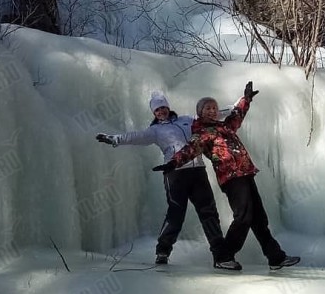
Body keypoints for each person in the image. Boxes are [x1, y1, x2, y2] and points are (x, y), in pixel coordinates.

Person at [153, 81, 300, 271]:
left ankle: (275, 257)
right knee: (243, 217)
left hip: (245, 172)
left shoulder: (225, 127)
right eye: (208, 108)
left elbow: (237, 115)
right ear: (200, 112)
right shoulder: (203, 133)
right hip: (231, 177)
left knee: (258, 219)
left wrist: (246, 99)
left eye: (214, 107)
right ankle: (223, 256)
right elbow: (190, 150)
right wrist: (173, 163)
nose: (213, 111)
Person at [96, 91, 239, 269]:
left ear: (168, 108)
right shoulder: (155, 131)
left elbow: (211, 114)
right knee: (176, 214)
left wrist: (235, 107)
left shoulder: (187, 120)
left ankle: (221, 257)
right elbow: (135, 137)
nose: (161, 111)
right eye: (157, 110)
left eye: (163, 107)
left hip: (198, 172)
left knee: (209, 213)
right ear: (154, 113)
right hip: (175, 173)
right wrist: (115, 139)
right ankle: (162, 251)